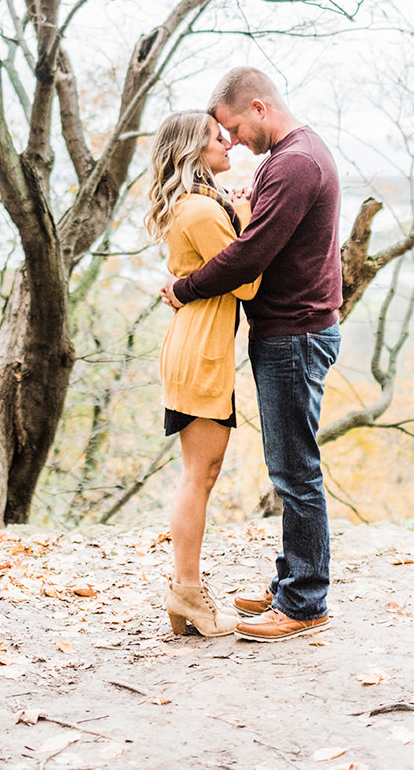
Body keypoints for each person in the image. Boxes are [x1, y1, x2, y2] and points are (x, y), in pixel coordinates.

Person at [161, 67, 342, 642]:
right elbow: (246, 239)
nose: (232, 140)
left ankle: (305, 602)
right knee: (289, 466)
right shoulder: (289, 159)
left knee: (295, 472)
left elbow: (248, 258)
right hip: (286, 332)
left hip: (294, 333)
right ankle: (292, 580)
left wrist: (182, 288)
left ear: (259, 107)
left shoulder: (293, 163)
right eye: (222, 135)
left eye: (233, 127)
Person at [145, 109, 261, 637]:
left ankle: (185, 594)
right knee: (201, 475)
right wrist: (247, 216)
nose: (228, 146)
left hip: (196, 344)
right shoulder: (202, 211)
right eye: (218, 139)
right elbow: (247, 285)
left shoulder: (195, 206)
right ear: (195, 148)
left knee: (203, 474)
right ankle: (186, 591)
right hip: (201, 353)